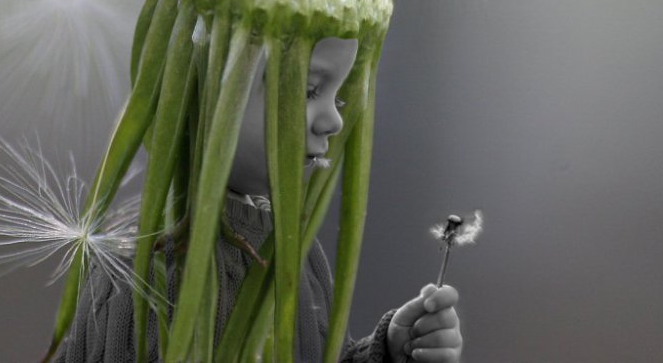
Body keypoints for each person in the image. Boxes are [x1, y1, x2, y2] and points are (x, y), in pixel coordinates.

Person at [55, 37, 463, 363]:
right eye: (308, 91)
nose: (334, 120)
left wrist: (389, 350)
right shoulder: (146, 269)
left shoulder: (300, 252)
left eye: (337, 98)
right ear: (211, 89)